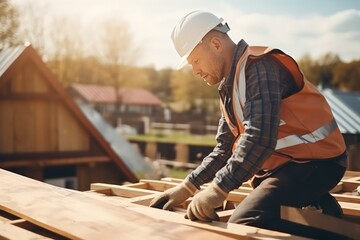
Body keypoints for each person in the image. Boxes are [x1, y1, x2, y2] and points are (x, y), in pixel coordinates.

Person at [150, 10, 348, 239]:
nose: (194, 70)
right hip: (288, 165)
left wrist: (218, 189)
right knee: (259, 186)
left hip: (319, 162)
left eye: (195, 60)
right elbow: (225, 149)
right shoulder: (229, 85)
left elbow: (259, 138)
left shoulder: (260, 68)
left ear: (215, 44)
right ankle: (322, 205)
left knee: (246, 221)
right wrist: (188, 186)